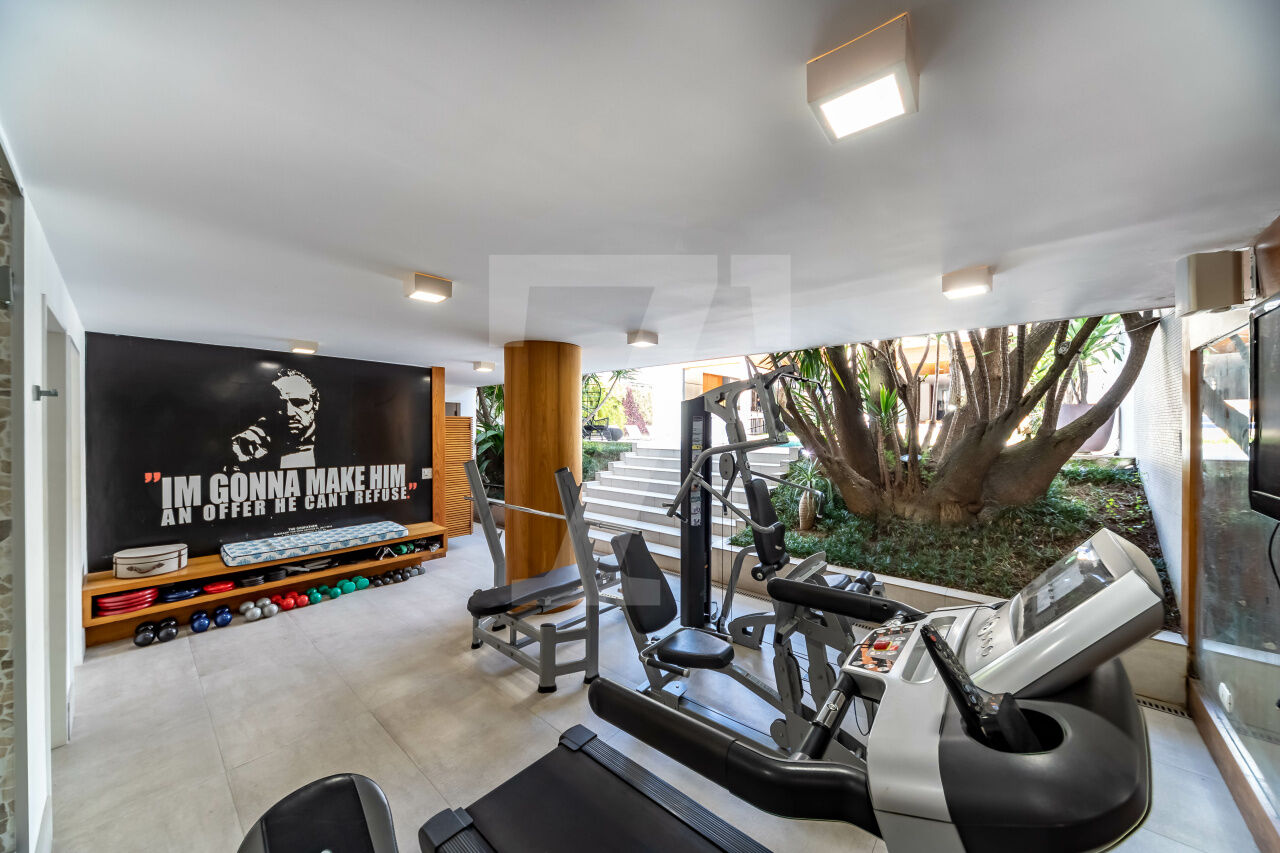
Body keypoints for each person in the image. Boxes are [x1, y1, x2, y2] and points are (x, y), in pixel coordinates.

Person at [229, 368, 319, 469]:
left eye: (299, 403)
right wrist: (239, 463)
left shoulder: (330, 442)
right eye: (279, 404)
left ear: (315, 404)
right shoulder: (256, 441)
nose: (289, 412)